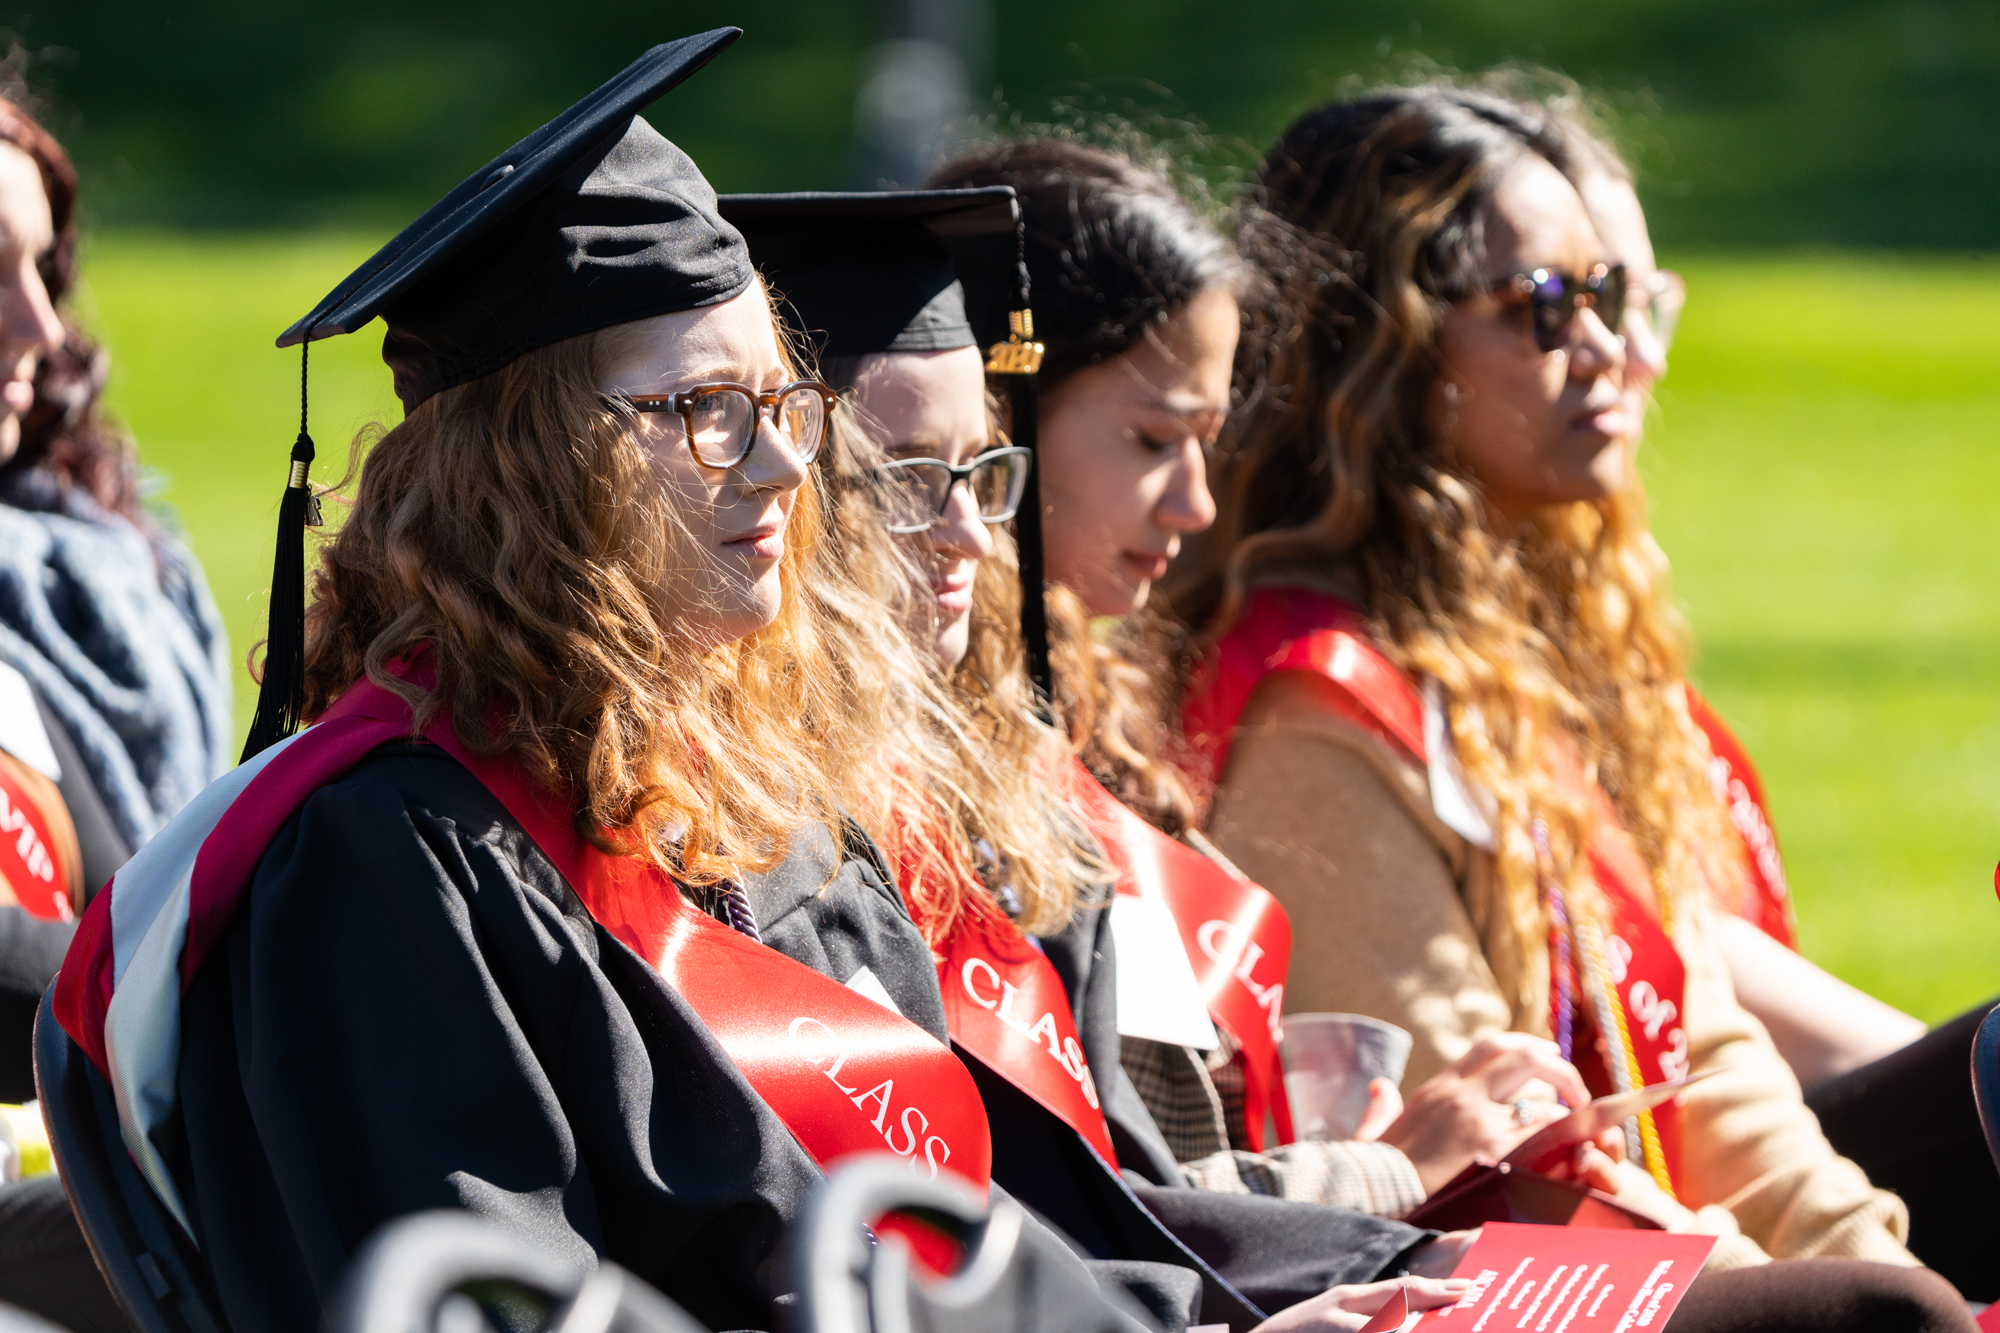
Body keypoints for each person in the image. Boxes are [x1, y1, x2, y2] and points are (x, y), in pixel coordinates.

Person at [45, 33, 1164, 1333]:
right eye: (702, 409)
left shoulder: (772, 796)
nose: (780, 467)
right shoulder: (390, 869)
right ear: (536, 470)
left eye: (781, 401)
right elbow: (486, 1298)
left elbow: (986, 1233)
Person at [1164, 86, 1973, 1318]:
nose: (1608, 349)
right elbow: (1496, 1158)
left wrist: (1889, 1264)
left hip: (1643, 1216)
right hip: (1474, 1278)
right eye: (1544, 309)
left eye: (1608, 298)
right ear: (1387, 350)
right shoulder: (1312, 705)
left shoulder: (1490, 647)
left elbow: (1705, 1061)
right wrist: (1835, 1308)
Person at [718, 185, 1477, 1332]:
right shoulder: (746, 837)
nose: (972, 531)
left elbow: (1108, 1184)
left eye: (979, 474)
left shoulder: (1005, 769)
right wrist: (1375, 1188)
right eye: (907, 479)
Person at [1537, 88, 1998, 1297]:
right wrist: (1960, 1075)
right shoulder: (1429, 659)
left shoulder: (1602, 588)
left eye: (1638, 300)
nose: (1618, 350)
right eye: (1559, 307)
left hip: (1763, 1145)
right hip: (1652, 1186)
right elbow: (1681, 973)